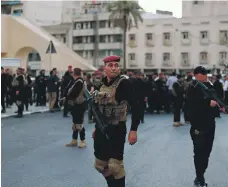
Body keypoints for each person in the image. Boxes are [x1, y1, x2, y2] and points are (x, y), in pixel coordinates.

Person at [92, 55, 140, 187]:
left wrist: (133, 130)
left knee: (115, 166)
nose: (114, 68)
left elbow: (137, 106)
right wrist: (96, 127)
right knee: (100, 165)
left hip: (117, 129)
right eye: (110, 65)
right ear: (104, 68)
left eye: (116, 65)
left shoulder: (124, 83)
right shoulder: (100, 84)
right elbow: (98, 109)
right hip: (102, 129)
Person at [187, 66, 217, 187]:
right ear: (196, 75)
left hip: (210, 124)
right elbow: (191, 103)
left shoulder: (210, 86)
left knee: (207, 152)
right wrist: (207, 103)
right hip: (198, 125)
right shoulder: (192, 87)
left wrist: (217, 106)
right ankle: (200, 177)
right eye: (201, 74)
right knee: (199, 152)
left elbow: (216, 102)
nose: (204, 76)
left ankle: (200, 174)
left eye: (205, 74)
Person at [65, 68, 86, 148]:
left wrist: (67, 97)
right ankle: (74, 140)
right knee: (75, 123)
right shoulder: (77, 81)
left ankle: (83, 141)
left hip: (79, 104)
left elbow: (73, 93)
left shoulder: (79, 82)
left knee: (79, 123)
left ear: (74, 74)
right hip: (76, 104)